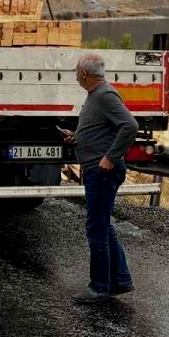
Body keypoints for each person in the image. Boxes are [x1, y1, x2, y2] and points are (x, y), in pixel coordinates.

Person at [61, 52, 138, 305]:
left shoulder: (105, 95)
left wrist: (110, 158)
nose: (75, 74)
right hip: (96, 168)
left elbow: (130, 125)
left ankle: (99, 286)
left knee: (96, 229)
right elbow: (103, 129)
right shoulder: (95, 96)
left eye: (76, 71)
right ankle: (120, 279)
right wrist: (77, 137)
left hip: (102, 171)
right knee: (104, 225)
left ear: (84, 73)